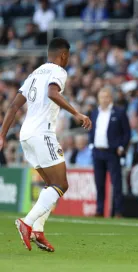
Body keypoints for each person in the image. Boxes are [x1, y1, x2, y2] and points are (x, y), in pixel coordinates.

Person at [0, 37, 92, 251]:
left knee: (51, 185)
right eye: (68, 57)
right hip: (43, 133)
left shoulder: (34, 74)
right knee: (61, 185)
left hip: (26, 135)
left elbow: (13, 106)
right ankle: (27, 223)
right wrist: (76, 113)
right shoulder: (58, 71)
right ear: (63, 55)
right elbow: (52, 92)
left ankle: (39, 231)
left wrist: (2, 135)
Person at [89, 87, 130, 218]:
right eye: (101, 97)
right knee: (99, 182)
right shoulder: (95, 112)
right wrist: (91, 145)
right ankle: (99, 210)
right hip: (97, 152)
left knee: (116, 182)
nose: (103, 100)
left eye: (106, 97)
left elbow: (127, 132)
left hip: (112, 152)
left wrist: (122, 146)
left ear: (111, 98)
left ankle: (118, 211)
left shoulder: (119, 112)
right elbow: (92, 129)